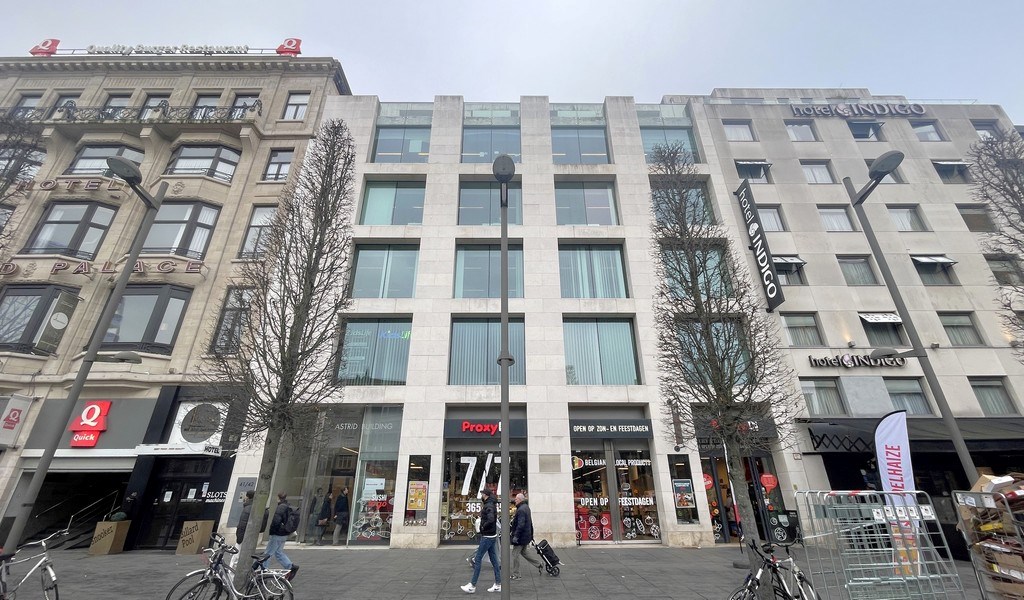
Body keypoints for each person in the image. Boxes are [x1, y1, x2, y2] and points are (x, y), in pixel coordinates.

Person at [461, 488, 500, 594]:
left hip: (487, 536)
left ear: (485, 495)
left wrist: (482, 527)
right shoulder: (491, 504)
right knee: (494, 560)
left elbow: (491, 519)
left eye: (482, 493)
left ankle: (472, 585)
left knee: (477, 559)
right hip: (492, 535)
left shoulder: (489, 505)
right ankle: (498, 584)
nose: (481, 495)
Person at [264, 491, 299, 581]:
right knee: (278, 552)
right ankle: (290, 566)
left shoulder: (280, 507)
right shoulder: (288, 506)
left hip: (278, 533)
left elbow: (276, 521)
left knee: (268, 553)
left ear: (278, 497)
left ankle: (264, 572)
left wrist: (271, 531)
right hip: (284, 533)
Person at [509, 492, 542, 579]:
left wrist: (516, 536)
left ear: (519, 500)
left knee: (515, 554)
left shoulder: (521, 510)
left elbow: (521, 525)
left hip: (521, 537)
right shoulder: (526, 507)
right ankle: (539, 564)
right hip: (525, 536)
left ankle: (516, 574)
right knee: (524, 552)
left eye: (516, 499)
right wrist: (531, 535)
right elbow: (530, 523)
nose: (514, 500)